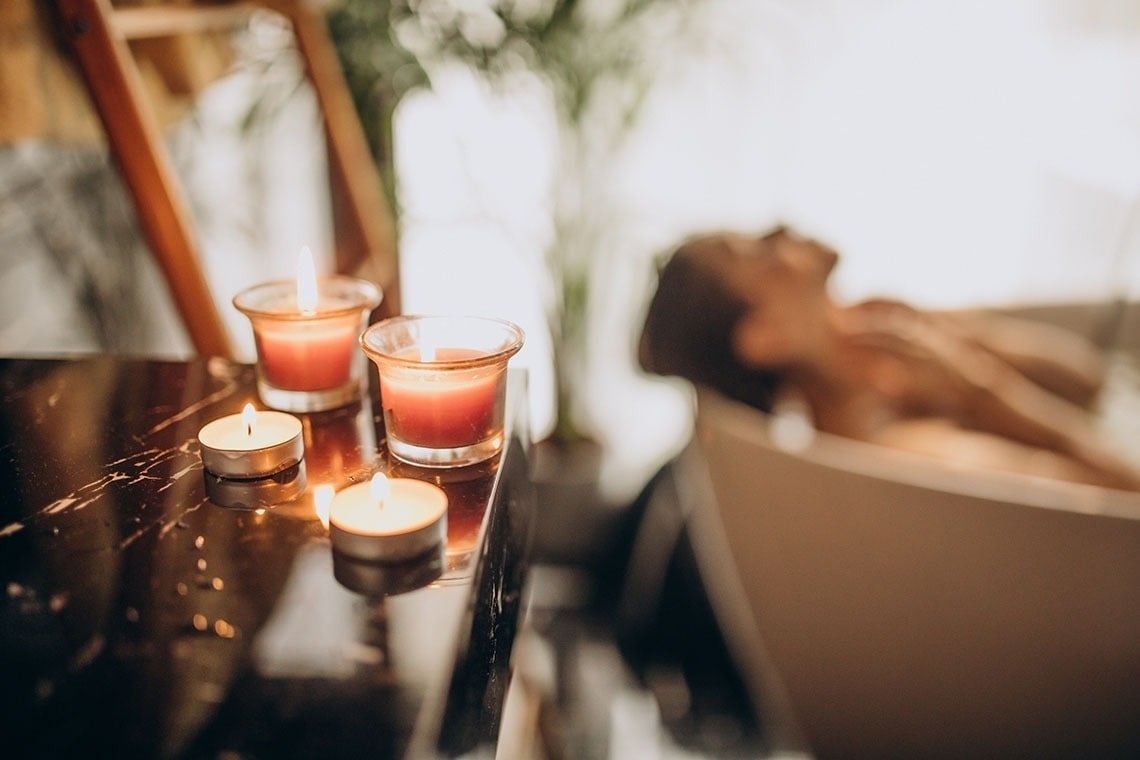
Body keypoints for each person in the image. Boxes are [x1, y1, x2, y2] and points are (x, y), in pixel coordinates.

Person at [639, 225, 1140, 492]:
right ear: (764, 336)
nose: (782, 227)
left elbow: (1092, 381)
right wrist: (978, 392)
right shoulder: (888, 444)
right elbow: (1121, 493)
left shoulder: (908, 351)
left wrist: (956, 337)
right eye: (757, 248)